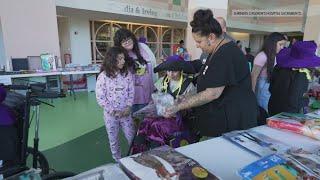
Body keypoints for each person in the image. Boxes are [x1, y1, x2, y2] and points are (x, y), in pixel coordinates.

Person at [164, 9, 258, 137]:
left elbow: (212, 93)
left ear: (211, 37)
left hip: (233, 119)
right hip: (221, 116)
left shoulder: (226, 54)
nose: (197, 46)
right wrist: (187, 97)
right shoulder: (215, 51)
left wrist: (179, 105)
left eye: (199, 41)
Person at [131, 55, 196, 153]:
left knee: (157, 126)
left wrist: (179, 108)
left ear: (181, 70)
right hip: (160, 113)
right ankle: (139, 151)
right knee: (145, 122)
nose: (171, 74)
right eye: (168, 71)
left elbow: (191, 107)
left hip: (178, 118)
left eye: (174, 71)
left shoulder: (188, 85)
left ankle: (157, 152)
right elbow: (155, 99)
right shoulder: (162, 81)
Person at [96, 46, 135, 162]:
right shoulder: (103, 76)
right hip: (111, 116)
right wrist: (112, 111)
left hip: (126, 113)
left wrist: (128, 107)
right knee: (113, 139)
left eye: (123, 58)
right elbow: (100, 97)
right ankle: (117, 160)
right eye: (120, 59)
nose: (123, 61)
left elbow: (131, 91)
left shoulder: (126, 74)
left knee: (131, 136)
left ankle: (135, 156)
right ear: (112, 60)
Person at [268, 41, 320, 116]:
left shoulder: (279, 67)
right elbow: (294, 102)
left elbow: (271, 89)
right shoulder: (301, 74)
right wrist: (308, 100)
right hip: (287, 114)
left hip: (273, 107)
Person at [114, 28, 157, 112]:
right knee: (132, 122)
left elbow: (153, 67)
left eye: (128, 39)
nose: (127, 42)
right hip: (129, 98)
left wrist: (155, 86)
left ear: (132, 38)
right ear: (119, 44)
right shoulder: (119, 54)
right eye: (123, 41)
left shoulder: (144, 47)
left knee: (146, 121)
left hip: (147, 94)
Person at [251, 32, 286, 112]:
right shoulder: (262, 55)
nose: (282, 47)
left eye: (283, 45)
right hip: (262, 86)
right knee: (263, 111)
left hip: (269, 86)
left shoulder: (275, 55)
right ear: (273, 43)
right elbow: (254, 76)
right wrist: (251, 94)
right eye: (280, 44)